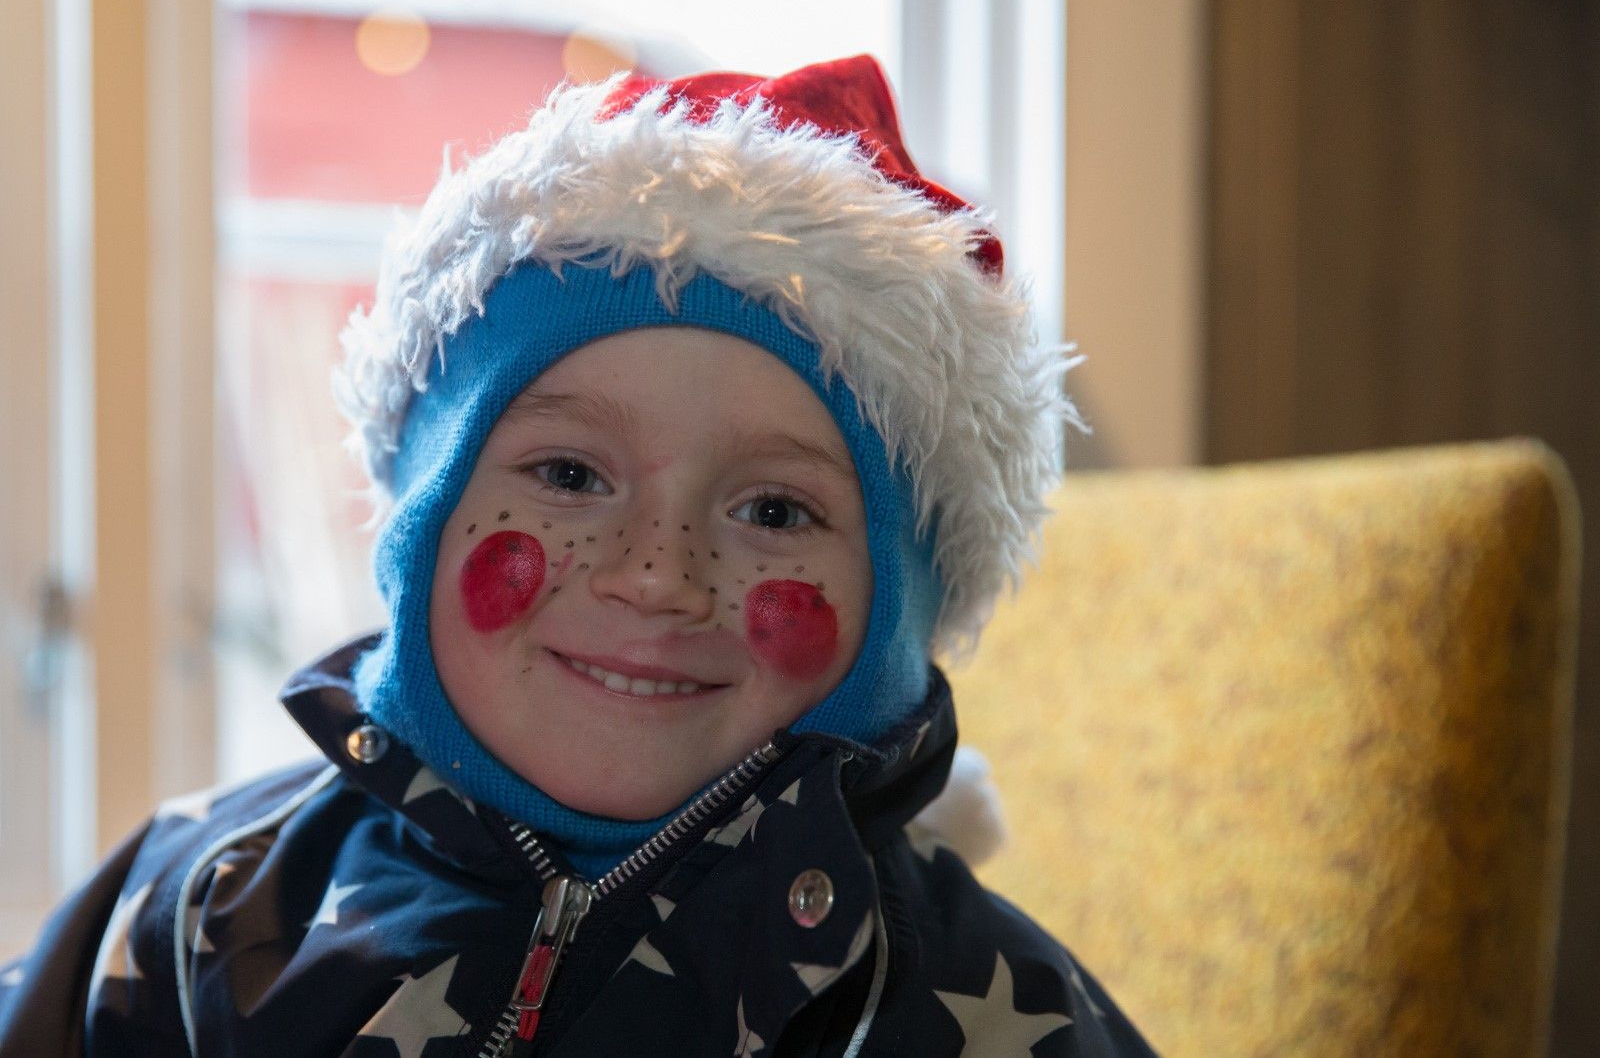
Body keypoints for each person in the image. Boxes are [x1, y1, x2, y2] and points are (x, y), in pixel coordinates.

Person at [0, 56, 1157, 1056]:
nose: (655, 575)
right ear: (421, 518)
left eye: (772, 509)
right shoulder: (201, 904)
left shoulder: (988, 1009)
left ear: (903, 607)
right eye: (567, 476)